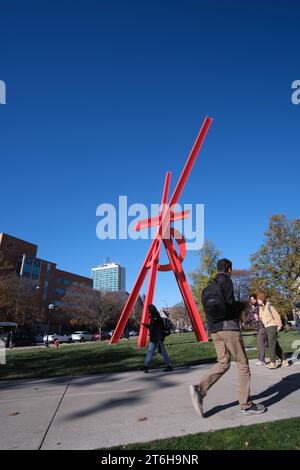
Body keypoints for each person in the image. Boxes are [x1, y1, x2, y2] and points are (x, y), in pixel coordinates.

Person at [190, 258, 266, 417]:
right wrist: (242, 305)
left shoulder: (209, 287)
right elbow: (231, 305)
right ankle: (245, 405)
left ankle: (200, 389)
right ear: (229, 270)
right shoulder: (227, 282)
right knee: (243, 363)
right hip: (229, 328)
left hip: (214, 330)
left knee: (223, 362)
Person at [256, 291, 289, 369]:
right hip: (267, 327)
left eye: (258, 299)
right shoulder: (261, 308)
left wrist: (279, 326)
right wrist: (258, 317)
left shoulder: (269, 306)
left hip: (273, 326)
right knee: (274, 344)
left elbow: (277, 316)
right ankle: (284, 360)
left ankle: (272, 362)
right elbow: (262, 317)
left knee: (271, 344)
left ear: (261, 299)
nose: (257, 300)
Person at [141, 304, 173, 373]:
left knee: (163, 352)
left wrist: (159, 340)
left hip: (157, 339)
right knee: (150, 352)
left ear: (151, 310)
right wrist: (146, 325)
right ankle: (145, 366)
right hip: (154, 339)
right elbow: (153, 328)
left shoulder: (156, 318)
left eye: (148, 309)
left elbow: (158, 329)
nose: (148, 311)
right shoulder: (154, 317)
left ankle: (169, 366)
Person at [247, 294, 267, 366]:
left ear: (256, 299)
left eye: (253, 299)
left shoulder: (259, 306)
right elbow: (249, 317)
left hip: (262, 327)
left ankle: (262, 360)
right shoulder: (253, 307)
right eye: (251, 299)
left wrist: (252, 313)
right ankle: (278, 357)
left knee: (261, 344)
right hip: (258, 328)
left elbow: (252, 316)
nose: (252, 301)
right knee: (267, 343)